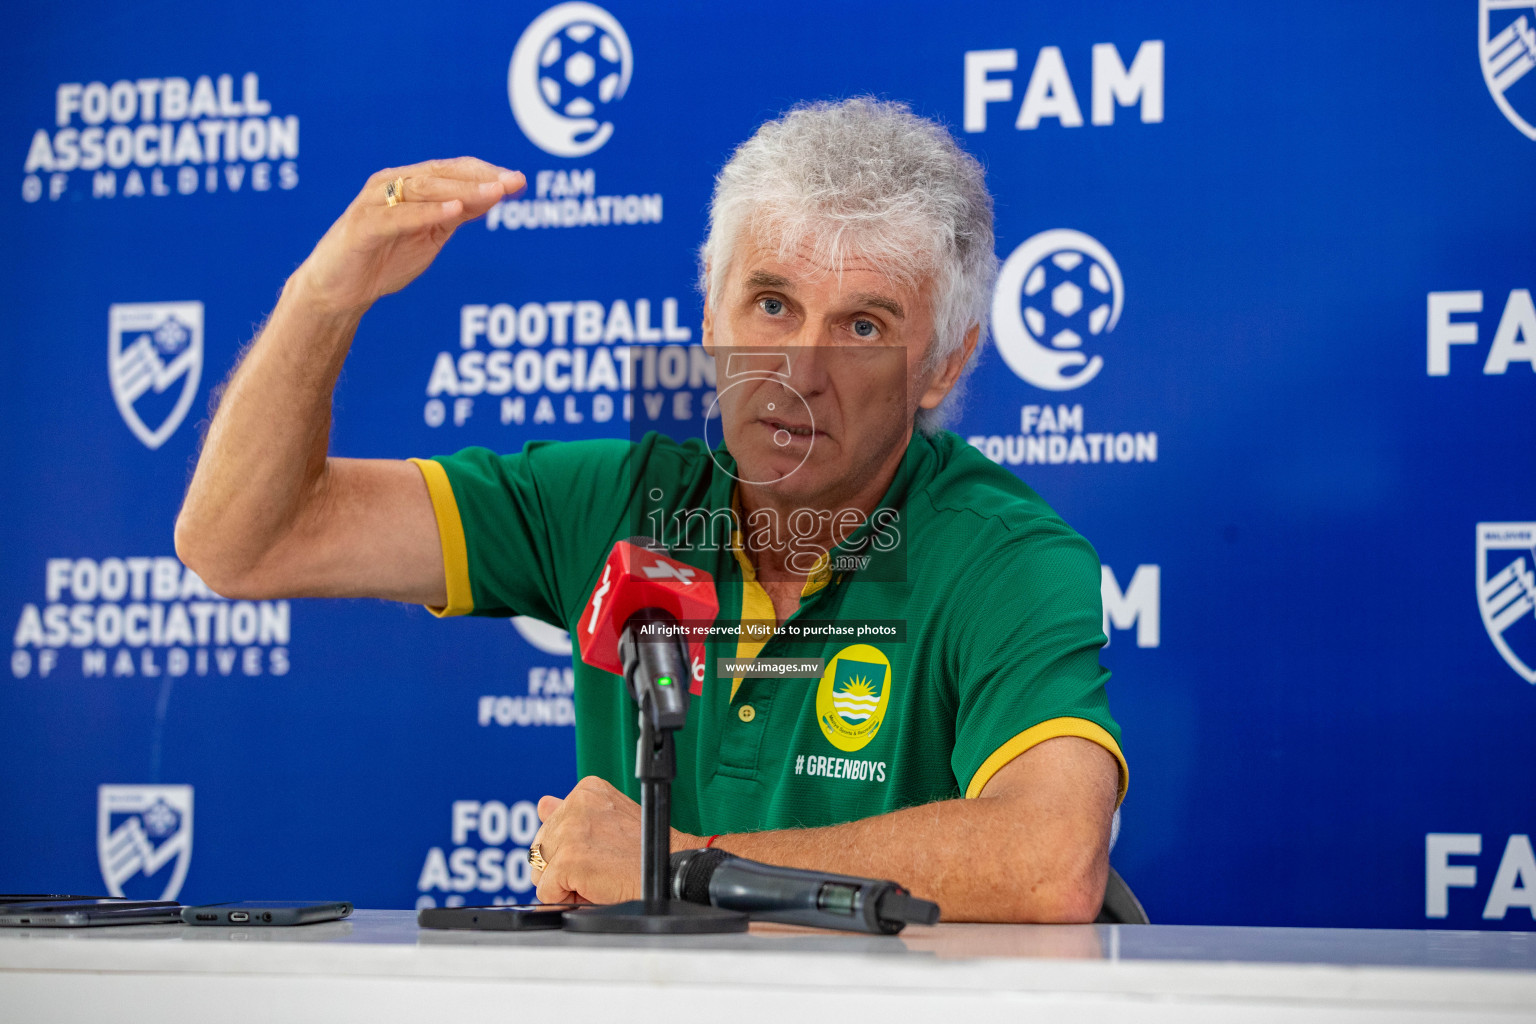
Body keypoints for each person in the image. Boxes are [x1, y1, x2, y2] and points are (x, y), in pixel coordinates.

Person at [176, 98, 1126, 923]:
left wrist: (677, 866)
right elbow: (244, 544)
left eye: (864, 326)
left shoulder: (1005, 553)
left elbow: (1050, 862)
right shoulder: (619, 502)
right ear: (710, 317)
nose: (799, 375)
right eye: (770, 304)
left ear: (945, 366)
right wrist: (323, 298)